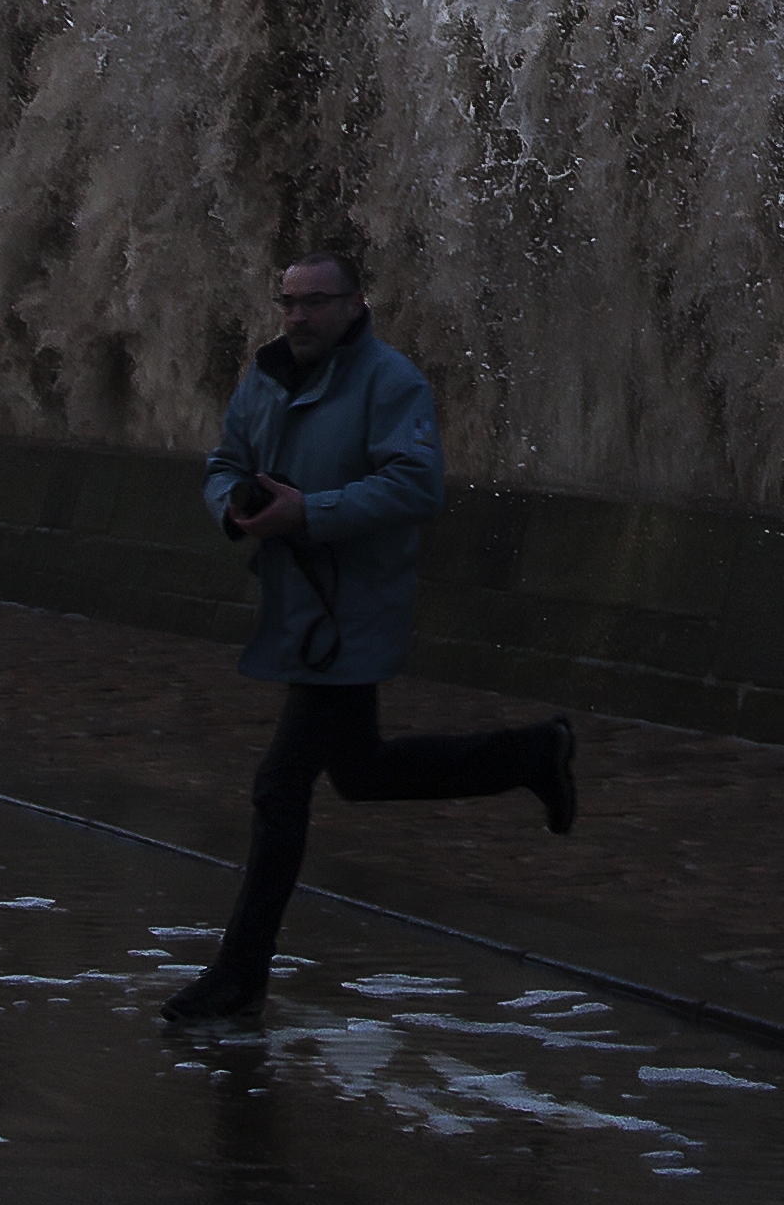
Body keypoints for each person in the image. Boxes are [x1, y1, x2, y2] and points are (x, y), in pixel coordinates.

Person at [160, 252, 575, 1024]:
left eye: (316, 302)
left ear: (355, 304)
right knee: (359, 772)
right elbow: (224, 463)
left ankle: (238, 972)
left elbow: (417, 484)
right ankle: (531, 754)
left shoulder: (391, 382)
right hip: (301, 608)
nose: (298, 316)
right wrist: (234, 505)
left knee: (280, 785)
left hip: (352, 610)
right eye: (289, 301)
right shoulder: (266, 380)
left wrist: (310, 512)